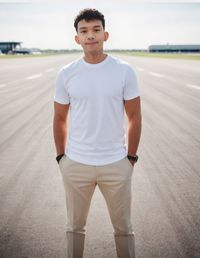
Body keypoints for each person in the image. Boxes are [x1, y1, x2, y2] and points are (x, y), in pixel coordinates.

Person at [53, 8, 142, 258]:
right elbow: (59, 118)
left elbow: (134, 117)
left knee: (124, 229)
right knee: (74, 229)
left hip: (116, 164)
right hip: (76, 164)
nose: (90, 35)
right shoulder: (66, 74)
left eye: (96, 30)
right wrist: (62, 159)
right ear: (77, 38)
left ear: (106, 35)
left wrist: (130, 159)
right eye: (84, 31)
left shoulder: (124, 71)